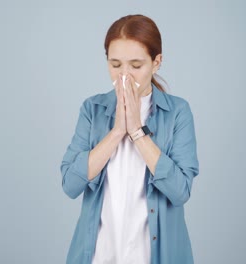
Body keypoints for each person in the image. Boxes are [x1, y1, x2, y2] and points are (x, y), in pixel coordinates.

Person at [60, 14, 199, 264]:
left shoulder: (178, 112)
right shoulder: (92, 109)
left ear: (156, 62)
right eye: (115, 65)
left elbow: (180, 191)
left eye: (136, 66)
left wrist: (136, 131)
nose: (124, 75)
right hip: (98, 256)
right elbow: (70, 184)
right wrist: (116, 132)